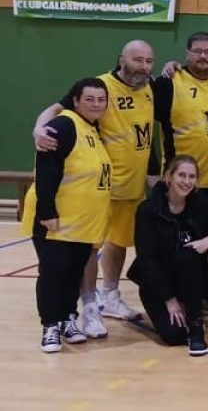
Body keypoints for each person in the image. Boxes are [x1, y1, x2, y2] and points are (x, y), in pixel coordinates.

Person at [31, 40, 156, 335]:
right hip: (99, 187)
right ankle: (87, 307)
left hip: (132, 186)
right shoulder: (100, 87)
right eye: (137, 59)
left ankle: (110, 296)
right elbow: (56, 108)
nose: (144, 66)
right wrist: (38, 127)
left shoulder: (150, 88)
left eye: (149, 60)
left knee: (118, 243)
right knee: (89, 249)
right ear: (121, 59)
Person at [22, 78, 112, 353]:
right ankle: (49, 325)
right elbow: (47, 167)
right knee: (53, 273)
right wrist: (47, 211)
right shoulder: (64, 124)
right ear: (75, 101)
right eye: (89, 99)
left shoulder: (92, 130)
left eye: (100, 99)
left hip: (84, 223)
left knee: (73, 274)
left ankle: (67, 318)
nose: (96, 104)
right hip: (59, 221)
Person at [129, 156, 208, 356]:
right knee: (174, 336)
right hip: (159, 284)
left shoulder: (199, 202)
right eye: (181, 175)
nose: (186, 181)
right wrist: (169, 299)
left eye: (192, 176)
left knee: (189, 254)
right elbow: (147, 261)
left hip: (191, 278)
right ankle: (184, 314)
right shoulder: (148, 211)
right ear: (168, 177)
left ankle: (196, 325)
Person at [153, 32, 208, 201]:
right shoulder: (168, 82)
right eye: (197, 51)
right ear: (187, 53)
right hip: (185, 181)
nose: (203, 56)